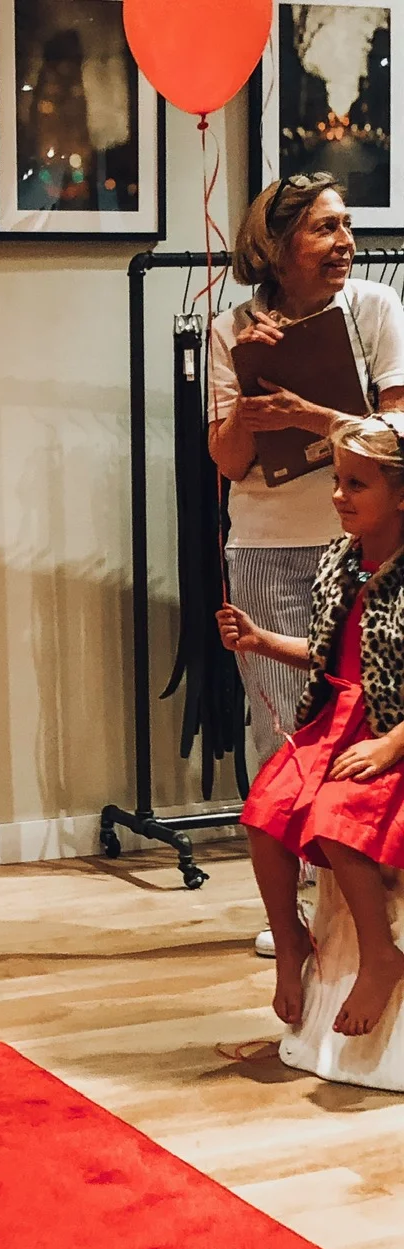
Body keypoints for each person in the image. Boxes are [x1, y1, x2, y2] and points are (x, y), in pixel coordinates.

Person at [209, 172, 404, 956]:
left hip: (364, 544)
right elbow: (228, 461)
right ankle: (288, 906)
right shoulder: (232, 327)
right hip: (266, 542)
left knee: (362, 715)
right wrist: (250, 397)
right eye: (325, 228)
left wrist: (313, 416)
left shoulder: (376, 309)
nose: (345, 242)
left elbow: (397, 432)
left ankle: (358, 896)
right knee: (285, 728)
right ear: (278, 246)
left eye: (347, 225)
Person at [218, 413, 404, 1038]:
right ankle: (291, 936)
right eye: (337, 480)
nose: (338, 496)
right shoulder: (342, 562)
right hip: (339, 721)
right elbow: (328, 655)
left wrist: (391, 744)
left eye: (357, 484)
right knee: (264, 811)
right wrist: (262, 640)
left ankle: (381, 953)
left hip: (393, 731)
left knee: (336, 817)